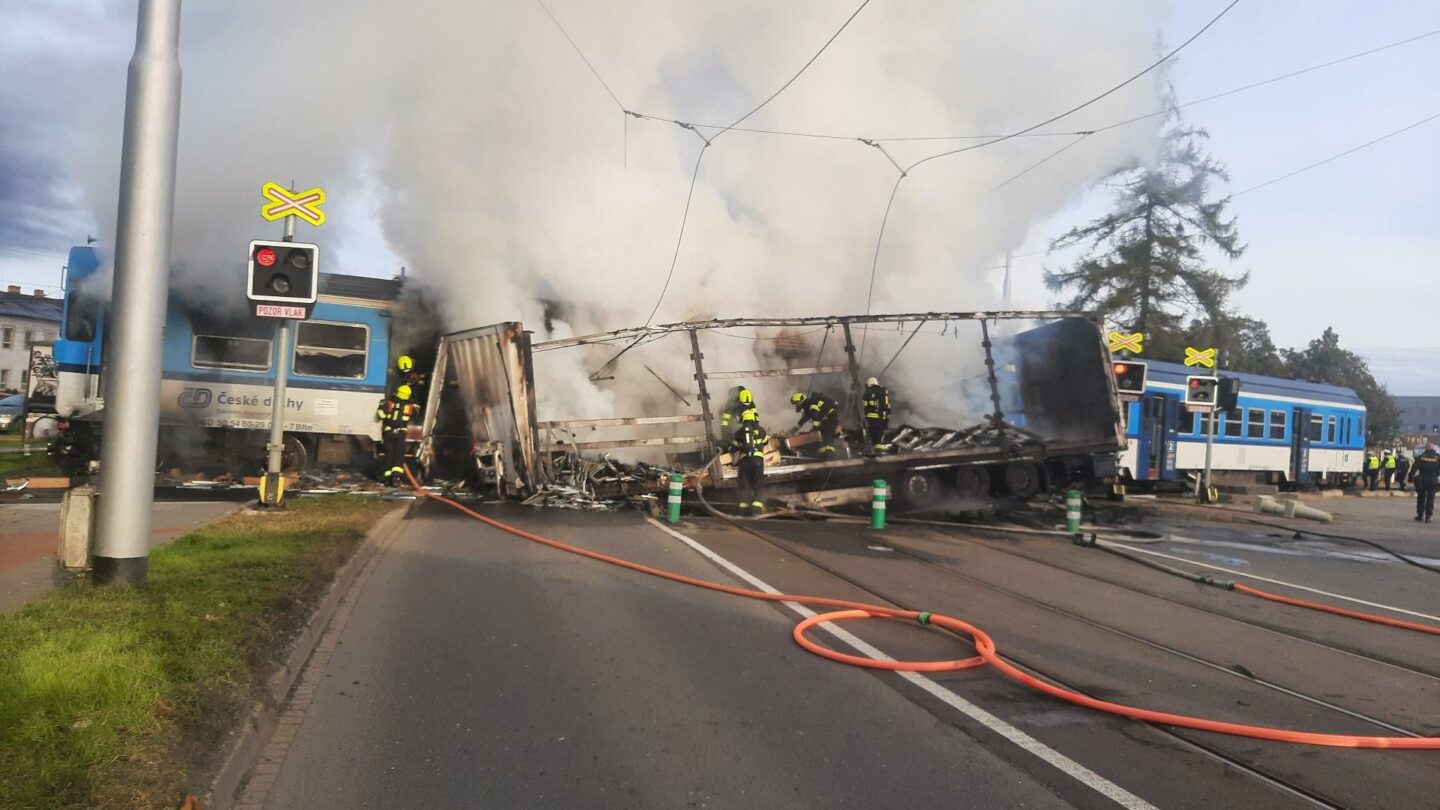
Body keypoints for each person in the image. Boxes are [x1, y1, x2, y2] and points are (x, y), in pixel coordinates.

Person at [376, 383, 420, 485]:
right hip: (401, 432)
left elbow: (380, 415)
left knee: (389, 454)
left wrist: (383, 406)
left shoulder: (388, 403)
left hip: (388, 432)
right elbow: (416, 413)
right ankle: (396, 477)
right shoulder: (410, 406)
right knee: (399, 455)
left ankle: (386, 477)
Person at [730, 409, 768, 515]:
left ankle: (743, 509)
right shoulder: (761, 430)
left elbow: (733, 448)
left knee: (744, 484)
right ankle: (756, 509)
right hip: (758, 461)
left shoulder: (739, 432)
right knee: (758, 483)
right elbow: (766, 442)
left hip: (745, 461)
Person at [791, 391, 839, 456]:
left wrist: (815, 429)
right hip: (826, 419)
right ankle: (822, 453)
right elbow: (803, 419)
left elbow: (815, 416)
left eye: (797, 403)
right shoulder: (807, 407)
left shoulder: (811, 403)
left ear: (801, 400)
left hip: (830, 417)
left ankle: (829, 453)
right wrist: (793, 430)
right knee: (819, 435)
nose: (797, 405)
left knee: (826, 434)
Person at [1408, 443, 1440, 523]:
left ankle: (1420, 515)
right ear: (1434, 449)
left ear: (1425, 449)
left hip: (1422, 478)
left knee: (1421, 497)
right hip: (1433, 479)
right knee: (1431, 497)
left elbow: (1414, 468)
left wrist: (1410, 478)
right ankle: (1428, 516)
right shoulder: (1438, 458)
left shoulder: (1421, 457)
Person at [861, 376, 892, 451]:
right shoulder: (884, 393)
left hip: (871, 420)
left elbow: (863, 407)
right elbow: (888, 407)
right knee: (878, 439)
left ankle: (867, 451)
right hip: (882, 419)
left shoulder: (867, 393)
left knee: (867, 436)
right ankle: (879, 452)